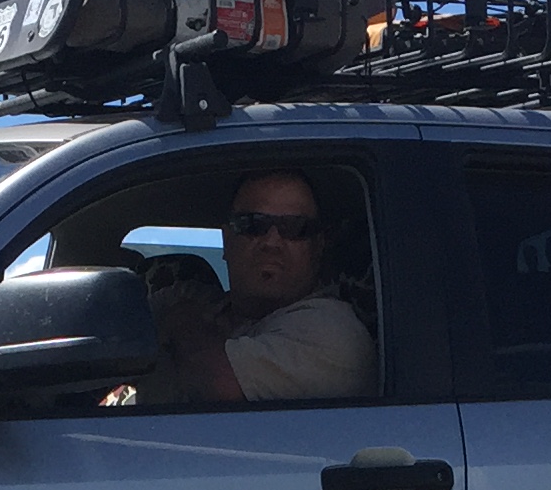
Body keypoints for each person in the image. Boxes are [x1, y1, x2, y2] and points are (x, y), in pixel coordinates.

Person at [130, 171, 377, 406]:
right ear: (227, 239)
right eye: (252, 224)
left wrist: (181, 322)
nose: (271, 242)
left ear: (318, 246)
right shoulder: (184, 297)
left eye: (295, 228)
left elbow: (219, 385)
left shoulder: (333, 333)